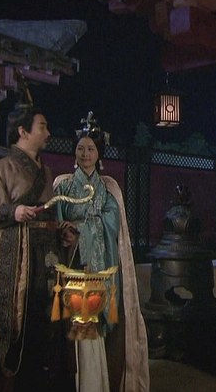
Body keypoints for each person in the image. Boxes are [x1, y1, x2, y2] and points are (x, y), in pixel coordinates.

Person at [0, 103, 73, 391]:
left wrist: (62, 231)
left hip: (49, 263)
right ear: (23, 132)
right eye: (42, 127)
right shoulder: (3, 169)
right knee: (25, 332)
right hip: (21, 269)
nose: (48, 133)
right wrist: (12, 212)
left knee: (50, 331)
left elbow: (48, 216)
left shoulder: (46, 172)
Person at [52, 112, 150, 392]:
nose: (85, 154)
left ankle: (97, 384)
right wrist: (64, 231)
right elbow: (56, 220)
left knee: (95, 329)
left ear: (99, 154)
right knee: (74, 330)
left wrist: (82, 228)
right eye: (81, 148)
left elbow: (112, 223)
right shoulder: (63, 185)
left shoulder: (108, 189)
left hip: (99, 266)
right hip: (73, 264)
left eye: (91, 149)